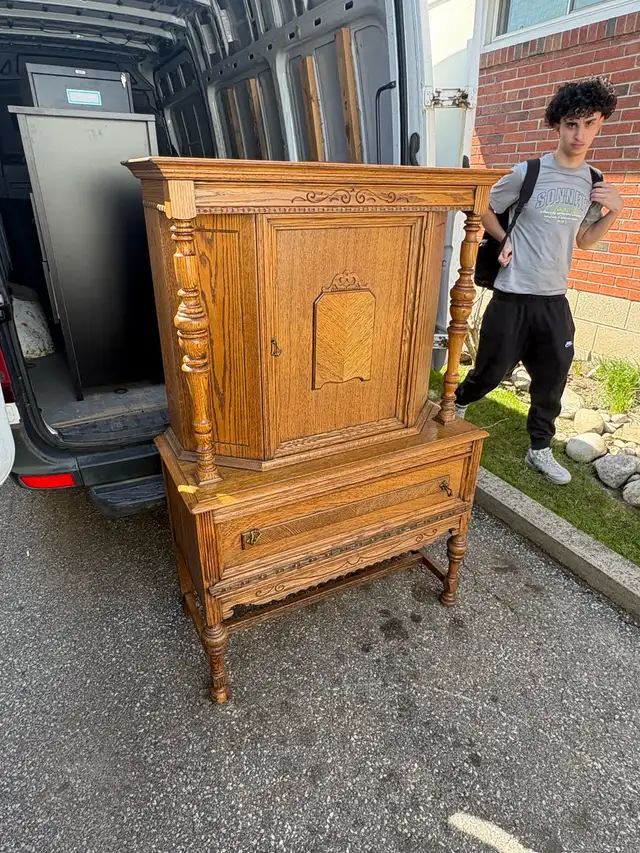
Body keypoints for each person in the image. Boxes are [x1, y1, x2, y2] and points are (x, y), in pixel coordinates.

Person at [455, 77, 624, 485]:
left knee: (552, 379)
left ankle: (539, 450)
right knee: (490, 372)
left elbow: (584, 241)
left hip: (553, 300)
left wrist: (614, 213)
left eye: (589, 123)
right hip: (513, 296)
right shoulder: (527, 173)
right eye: (571, 124)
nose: (579, 134)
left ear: (600, 124)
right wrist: (503, 236)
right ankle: (455, 405)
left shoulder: (594, 181)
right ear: (557, 126)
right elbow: (481, 206)